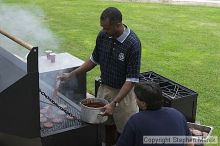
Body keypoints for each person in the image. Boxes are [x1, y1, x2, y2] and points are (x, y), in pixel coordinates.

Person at [59, 7, 141, 145]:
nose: (104, 31)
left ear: (118, 25)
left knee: (126, 131)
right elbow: (93, 60)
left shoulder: (133, 44)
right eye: (102, 27)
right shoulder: (104, 36)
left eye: (107, 28)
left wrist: (114, 103)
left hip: (124, 93)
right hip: (105, 88)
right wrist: (71, 75)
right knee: (107, 126)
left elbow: (131, 80)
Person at [117, 81, 194, 146]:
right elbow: (190, 143)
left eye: (136, 97)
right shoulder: (176, 113)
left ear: (143, 103)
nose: (135, 99)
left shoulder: (136, 120)